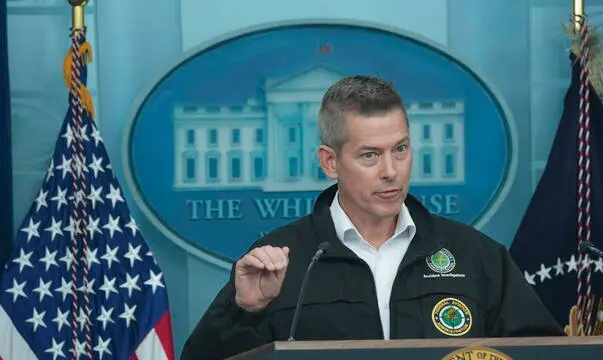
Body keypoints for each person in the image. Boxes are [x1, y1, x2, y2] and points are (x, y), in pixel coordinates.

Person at [181, 75, 565, 360]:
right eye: (370, 155)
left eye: (400, 149)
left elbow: (541, 351)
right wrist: (244, 312)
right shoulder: (280, 261)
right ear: (330, 162)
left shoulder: (475, 255)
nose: (391, 171)